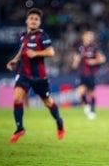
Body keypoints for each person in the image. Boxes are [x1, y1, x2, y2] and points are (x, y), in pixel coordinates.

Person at [6, 8, 65, 143]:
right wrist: (15, 60)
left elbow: (51, 52)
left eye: (36, 19)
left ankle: (59, 121)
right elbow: (23, 50)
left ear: (39, 22)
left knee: (47, 102)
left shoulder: (42, 35)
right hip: (23, 74)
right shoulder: (23, 36)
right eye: (31, 18)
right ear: (27, 21)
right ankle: (20, 128)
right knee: (17, 98)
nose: (33, 21)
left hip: (39, 76)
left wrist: (36, 53)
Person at [72, 31, 106, 120]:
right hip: (81, 73)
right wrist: (75, 62)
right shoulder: (79, 47)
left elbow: (102, 59)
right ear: (83, 36)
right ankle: (87, 105)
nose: (89, 37)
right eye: (87, 35)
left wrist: (94, 61)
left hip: (92, 73)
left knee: (92, 93)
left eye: (91, 36)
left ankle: (92, 110)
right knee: (81, 91)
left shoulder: (95, 47)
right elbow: (76, 58)